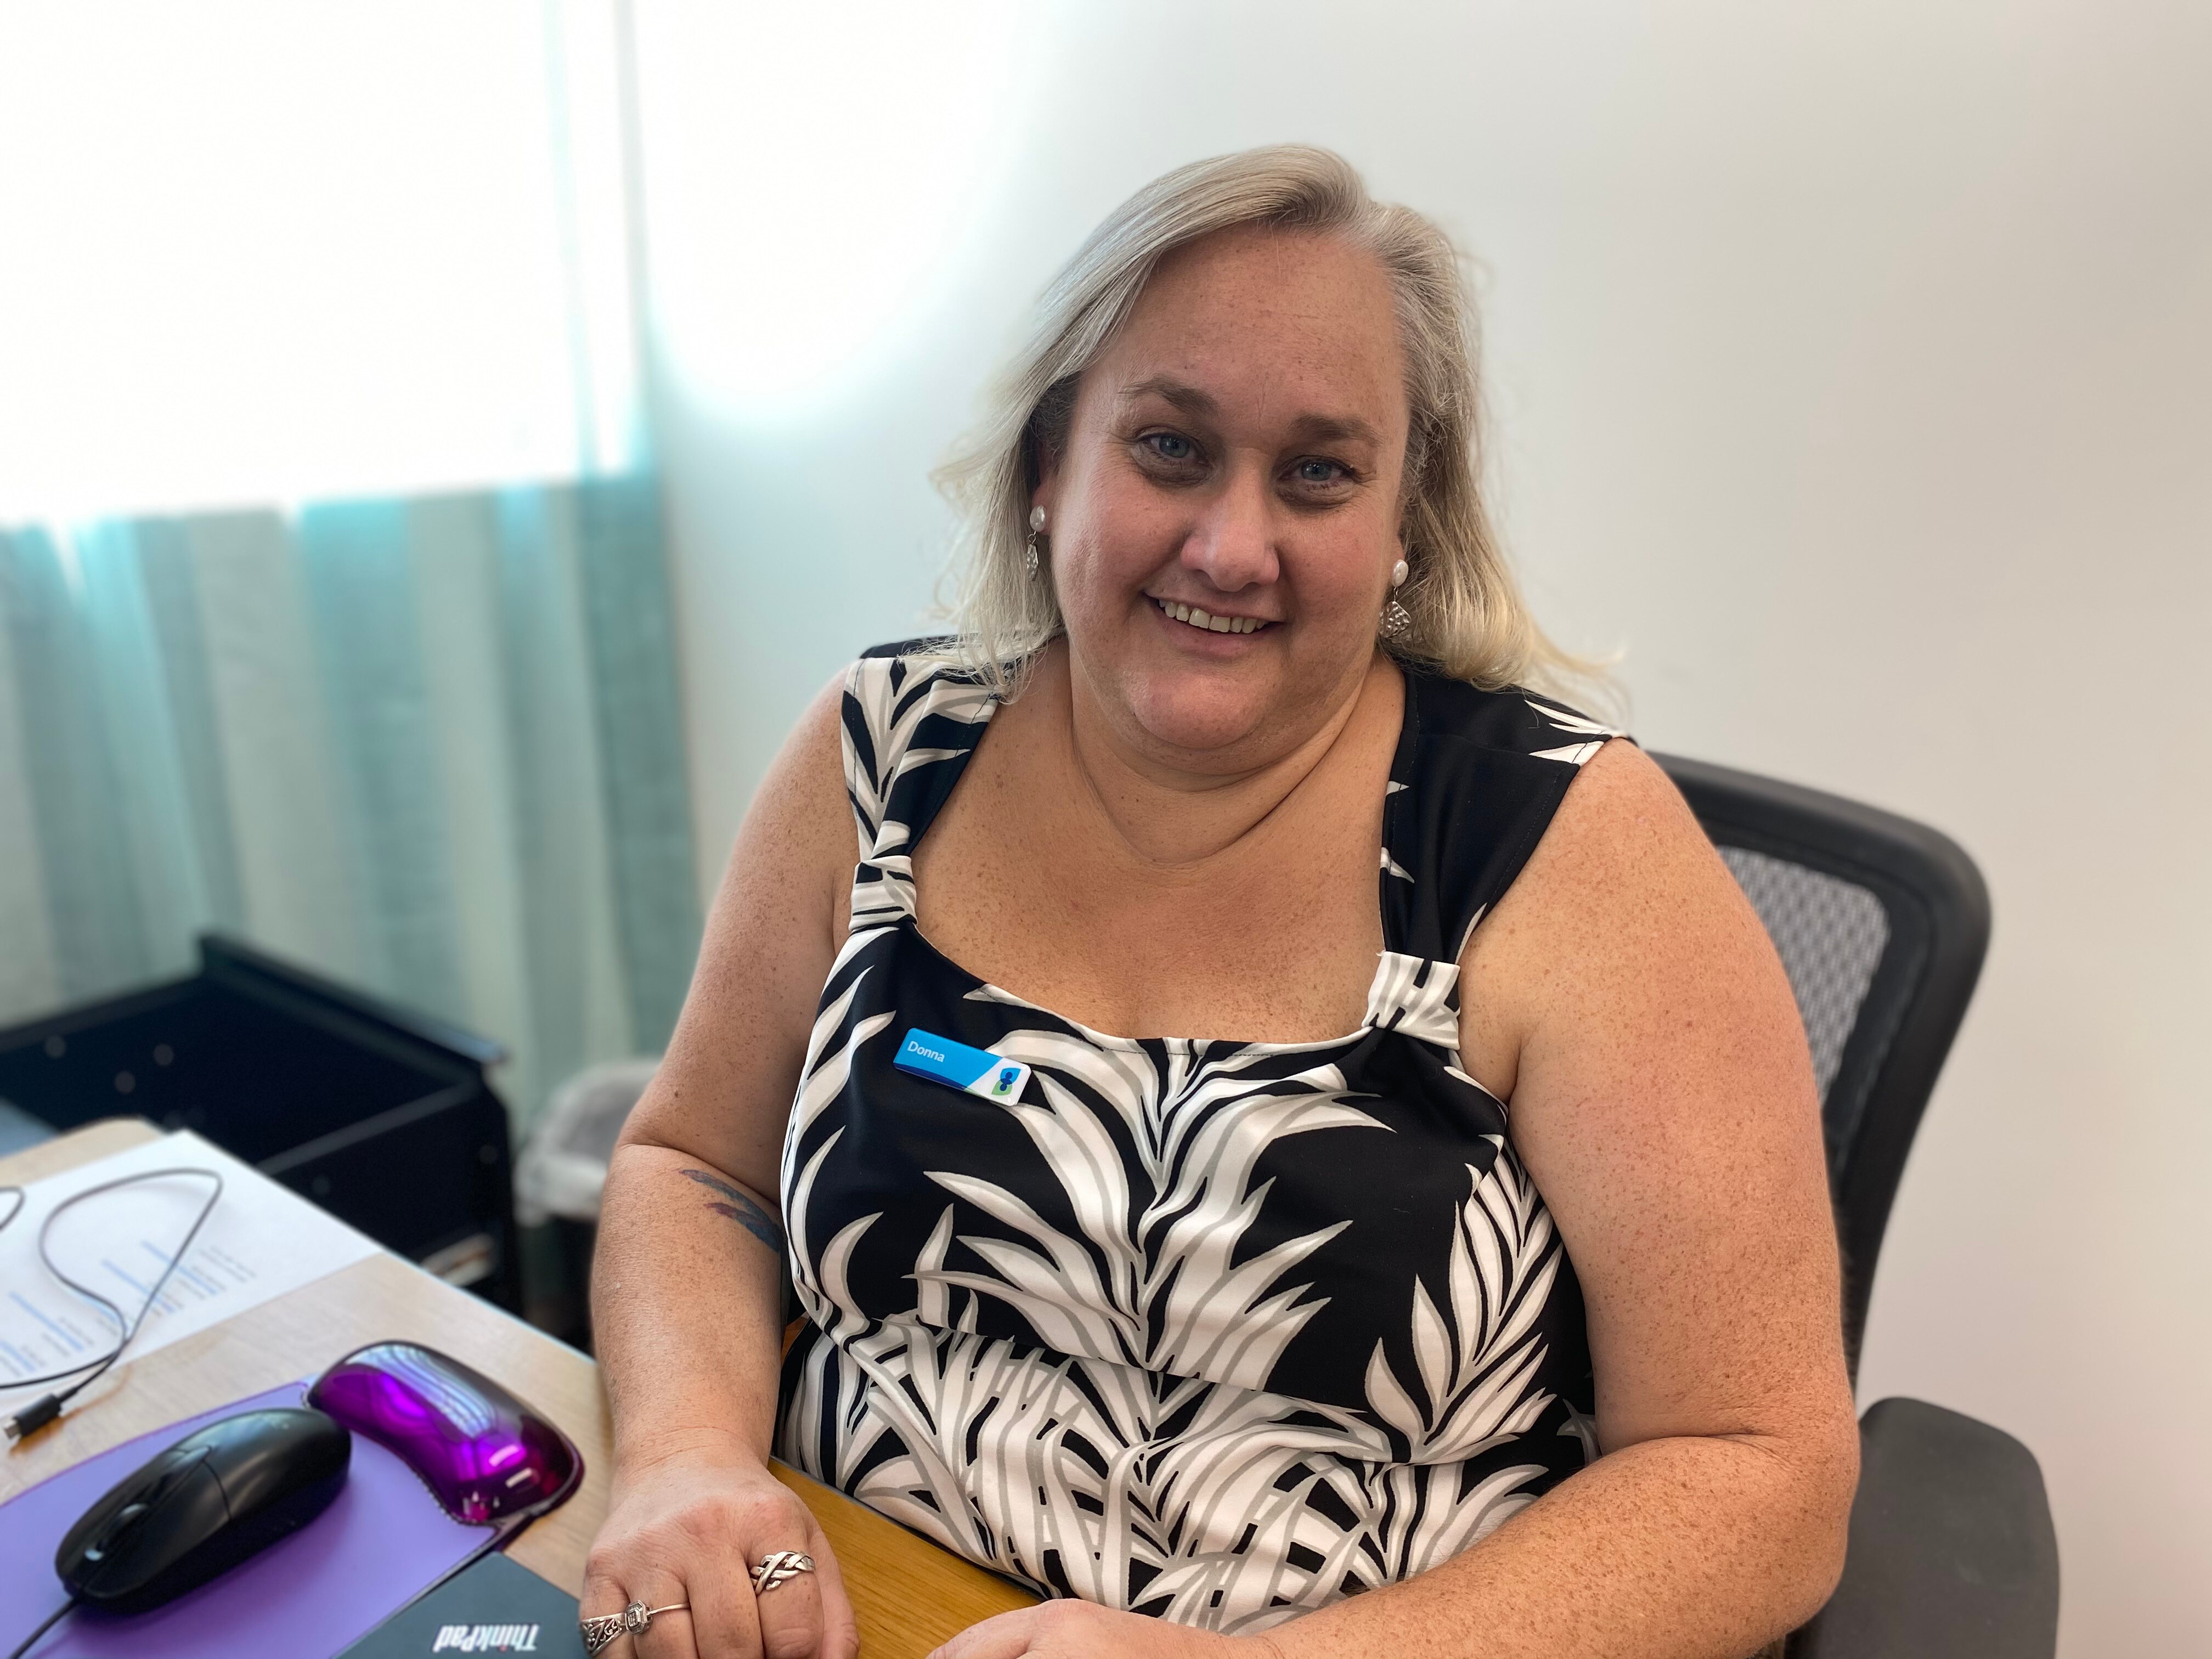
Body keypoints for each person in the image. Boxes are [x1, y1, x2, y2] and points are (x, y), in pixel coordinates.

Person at [583, 145, 1858, 1659]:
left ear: (1403, 524)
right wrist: (684, 1453)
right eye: (1173, 449)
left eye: (1318, 473)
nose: (1232, 547)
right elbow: (689, 1167)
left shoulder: (1565, 842)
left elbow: (1760, 1477)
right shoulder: (881, 750)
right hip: (836, 1607)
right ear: (1052, 462)